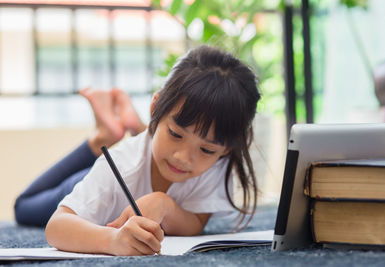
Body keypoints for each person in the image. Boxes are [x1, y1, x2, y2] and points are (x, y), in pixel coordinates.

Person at [32, 45, 260, 256]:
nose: (183, 158)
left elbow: (197, 222)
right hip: (99, 177)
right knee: (25, 206)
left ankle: (133, 128)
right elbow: (56, 226)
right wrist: (112, 240)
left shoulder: (219, 162)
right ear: (155, 107)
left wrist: (164, 204)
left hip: (142, 159)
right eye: (176, 134)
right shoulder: (117, 166)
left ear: (226, 150)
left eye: (207, 150)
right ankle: (102, 137)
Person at [14, 87, 146, 227]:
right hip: (106, 181)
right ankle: (135, 135)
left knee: (23, 205)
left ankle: (130, 135)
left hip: (104, 180)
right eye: (172, 133)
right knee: (24, 206)